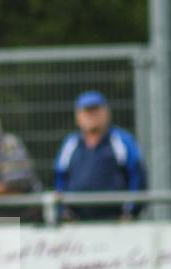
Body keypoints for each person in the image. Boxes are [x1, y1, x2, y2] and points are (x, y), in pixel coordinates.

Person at [53, 90, 147, 221]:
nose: (92, 115)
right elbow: (60, 179)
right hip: (78, 222)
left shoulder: (122, 141)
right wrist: (64, 211)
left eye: (96, 110)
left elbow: (137, 177)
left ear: (106, 113)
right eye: (87, 111)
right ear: (78, 116)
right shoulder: (70, 144)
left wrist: (131, 211)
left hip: (115, 221)